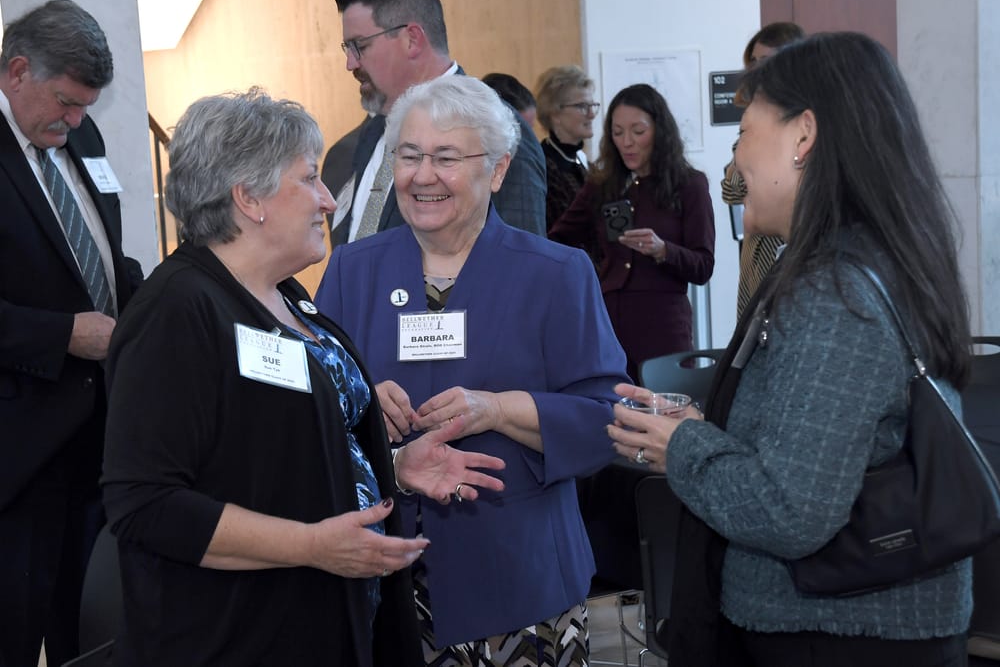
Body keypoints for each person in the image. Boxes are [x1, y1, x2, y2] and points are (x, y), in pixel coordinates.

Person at [101, 88, 506, 666]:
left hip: (330, 622)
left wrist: (390, 468)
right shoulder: (176, 311)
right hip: (233, 637)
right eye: (309, 179)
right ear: (249, 198)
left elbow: (278, 450)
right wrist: (312, 546)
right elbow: (144, 503)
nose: (328, 201)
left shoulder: (285, 295)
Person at [609, 32, 973, 667]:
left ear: (803, 137)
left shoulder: (835, 292)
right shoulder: (872, 261)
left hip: (837, 635)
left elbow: (788, 510)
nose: (736, 162)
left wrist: (684, 446)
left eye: (744, 132)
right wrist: (701, 427)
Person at [314, 74, 629, 666]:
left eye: (446, 157)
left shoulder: (557, 273)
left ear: (499, 170)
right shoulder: (352, 271)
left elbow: (603, 419)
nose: (422, 175)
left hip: (520, 582)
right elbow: (305, 418)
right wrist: (356, 406)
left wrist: (499, 408)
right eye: (409, 155)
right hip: (382, 583)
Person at [0, 0, 143, 667]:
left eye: (87, 105)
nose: (79, 121)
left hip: (99, 443)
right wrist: (63, 335)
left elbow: (108, 261)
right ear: (17, 72)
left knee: (93, 636)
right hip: (19, 454)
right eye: (65, 102)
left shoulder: (80, 139)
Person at [329, 0, 546, 247]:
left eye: (359, 46)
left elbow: (519, 263)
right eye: (346, 48)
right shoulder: (364, 139)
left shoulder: (494, 130)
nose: (351, 64)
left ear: (412, 39)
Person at [550, 83, 715, 382]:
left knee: (664, 414)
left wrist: (663, 249)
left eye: (638, 132)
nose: (627, 142)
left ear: (659, 131)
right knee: (612, 417)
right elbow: (558, 239)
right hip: (609, 323)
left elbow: (703, 266)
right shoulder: (602, 184)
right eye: (617, 132)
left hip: (663, 326)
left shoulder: (690, 185)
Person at [722, 21, 804, 318]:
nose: (757, 71)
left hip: (793, 253)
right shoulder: (753, 115)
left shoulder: (808, 121)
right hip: (757, 255)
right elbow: (731, 190)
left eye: (767, 62)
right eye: (753, 62)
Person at [535, 65, 598, 231]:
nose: (591, 114)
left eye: (593, 105)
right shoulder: (542, 168)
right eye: (582, 106)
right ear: (555, 114)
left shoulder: (589, 166)